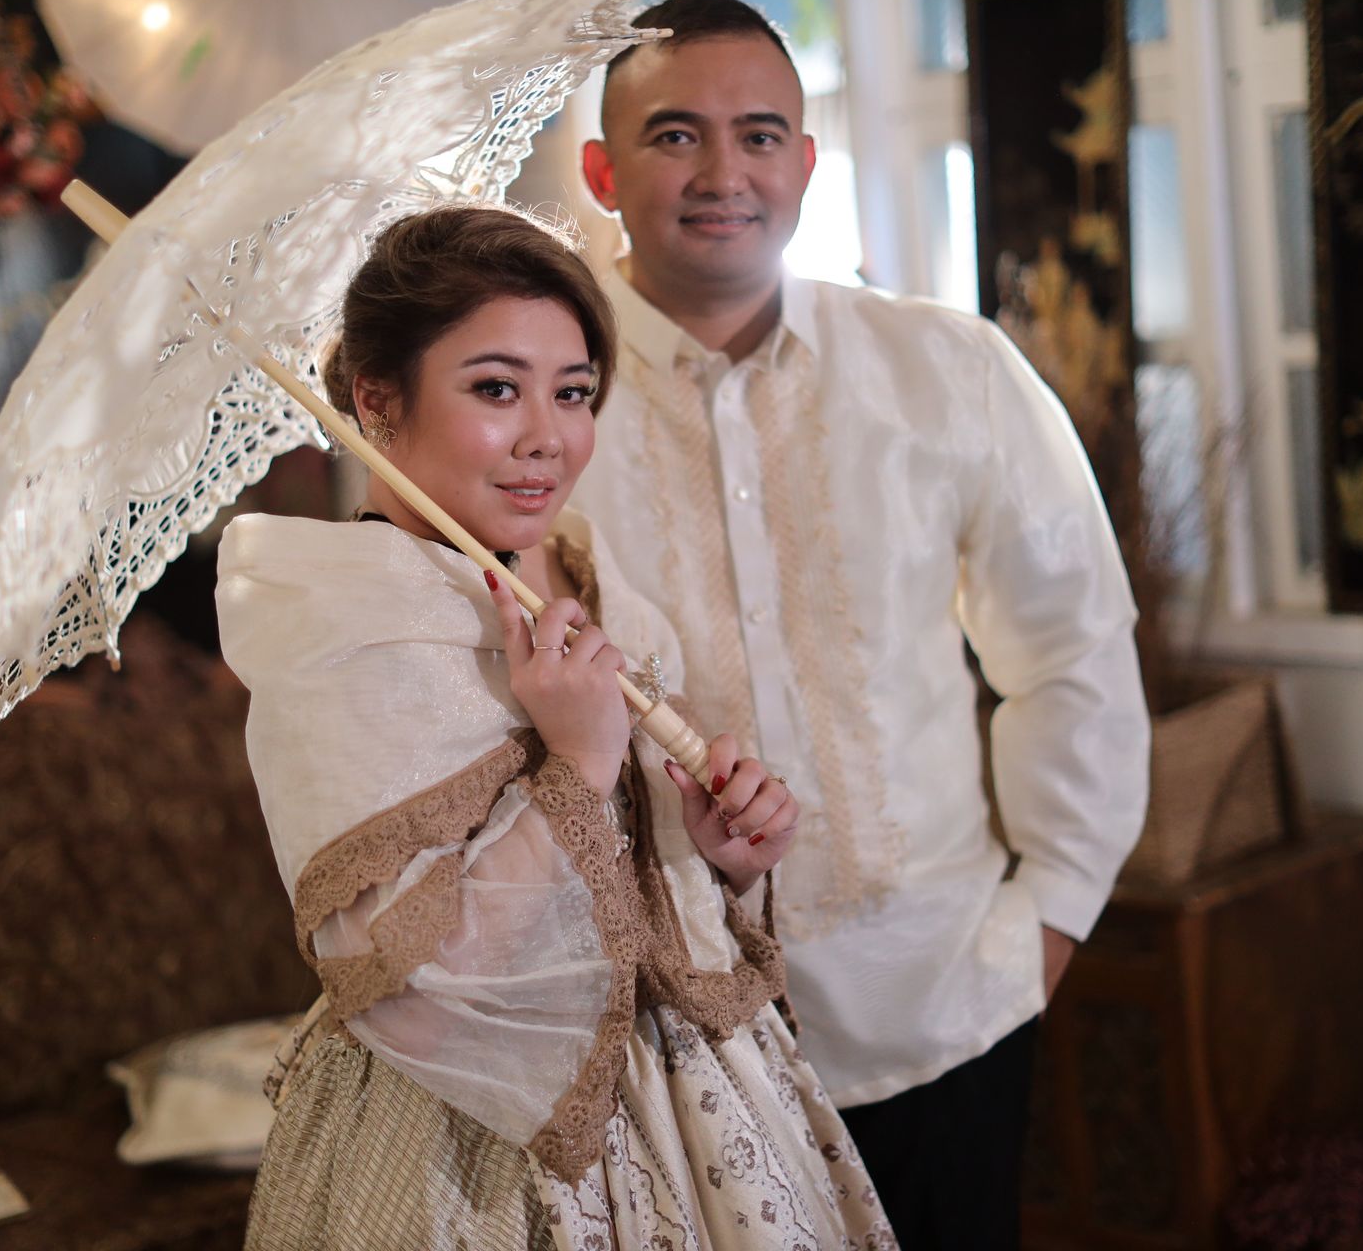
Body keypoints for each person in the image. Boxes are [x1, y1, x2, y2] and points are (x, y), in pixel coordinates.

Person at [572, 0, 1153, 1248]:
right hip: (665, 1042)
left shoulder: (948, 368)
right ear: (602, 172)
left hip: (943, 1010)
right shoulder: (537, 407)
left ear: (805, 162)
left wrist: (1049, 918)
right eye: (675, 135)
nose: (724, 172)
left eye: (759, 135)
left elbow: (1071, 650)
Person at [216, 205, 896, 1250]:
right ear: (376, 399)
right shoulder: (338, 632)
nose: (549, 436)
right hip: (462, 1146)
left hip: (696, 1101)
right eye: (497, 388)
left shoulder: (588, 575)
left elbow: (637, 891)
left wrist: (708, 849)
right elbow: (420, 991)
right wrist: (578, 760)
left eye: (572, 392)